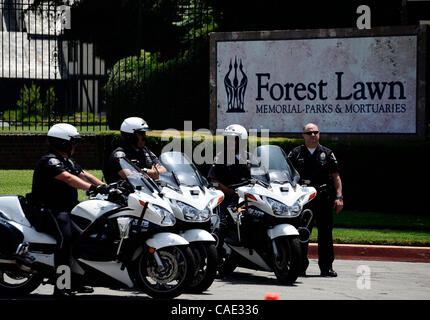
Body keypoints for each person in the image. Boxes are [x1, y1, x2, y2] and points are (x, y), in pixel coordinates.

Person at [31, 123, 109, 297]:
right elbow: (68, 178)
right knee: (65, 239)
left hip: (67, 207)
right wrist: (92, 188)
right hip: (50, 208)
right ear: (62, 142)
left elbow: (82, 174)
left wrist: (105, 186)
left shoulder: (67, 159)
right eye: (73, 142)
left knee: (85, 235)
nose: (75, 145)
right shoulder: (50, 160)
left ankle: (77, 280)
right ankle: (61, 286)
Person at [288, 123, 343, 277]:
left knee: (325, 234)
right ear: (303, 135)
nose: (313, 135)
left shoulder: (327, 153)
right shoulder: (295, 153)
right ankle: (299, 266)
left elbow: (336, 177)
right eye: (309, 133)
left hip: (324, 198)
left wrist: (339, 197)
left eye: (315, 132)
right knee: (302, 233)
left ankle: (326, 268)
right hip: (303, 200)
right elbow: (286, 175)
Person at [207, 124, 251, 245]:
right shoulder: (220, 157)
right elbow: (214, 181)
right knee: (223, 224)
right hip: (228, 197)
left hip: (248, 197)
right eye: (228, 139)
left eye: (234, 139)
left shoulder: (250, 158)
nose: (230, 142)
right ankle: (220, 249)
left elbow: (260, 177)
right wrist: (229, 191)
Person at [104, 117, 166, 183]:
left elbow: (164, 171)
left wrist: (143, 172)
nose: (144, 137)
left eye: (144, 133)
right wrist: (152, 172)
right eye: (141, 134)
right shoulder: (120, 155)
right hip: (126, 192)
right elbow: (132, 178)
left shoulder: (145, 151)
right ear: (130, 136)